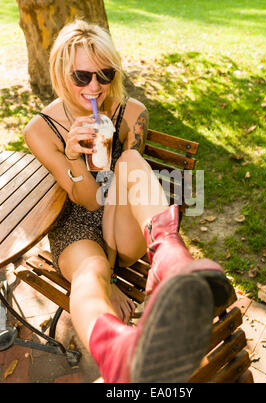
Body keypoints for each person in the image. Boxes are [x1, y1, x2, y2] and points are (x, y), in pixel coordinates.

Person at [24, 19, 233, 383]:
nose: (96, 86)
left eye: (105, 75)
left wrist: (110, 156)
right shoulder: (41, 130)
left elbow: (127, 184)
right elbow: (89, 200)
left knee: (130, 160)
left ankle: (169, 257)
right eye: (82, 76)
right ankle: (119, 353)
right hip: (76, 226)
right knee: (91, 274)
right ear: (60, 72)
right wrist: (74, 155)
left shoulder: (130, 113)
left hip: (124, 222)